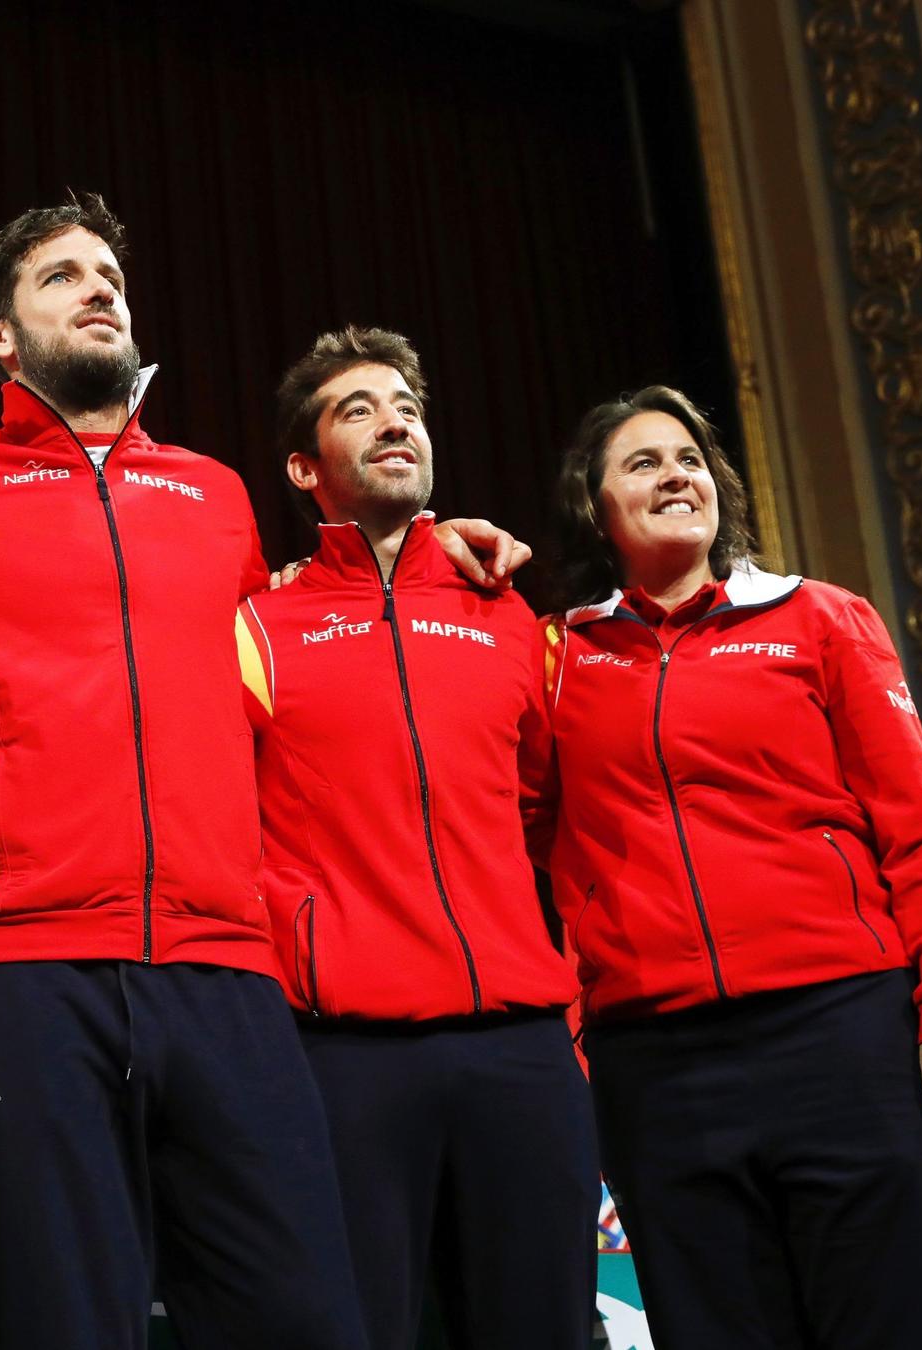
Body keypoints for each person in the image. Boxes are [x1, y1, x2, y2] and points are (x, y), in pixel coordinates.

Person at [0, 194, 523, 1350]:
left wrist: (433, 552)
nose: (97, 290)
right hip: (34, 968)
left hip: (228, 968)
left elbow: (305, 652)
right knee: (69, 1324)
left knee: (303, 1320)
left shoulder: (215, 493)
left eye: (109, 276)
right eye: (61, 277)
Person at [543, 385, 922, 1349]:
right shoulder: (555, 658)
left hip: (843, 1038)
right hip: (659, 1070)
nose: (677, 474)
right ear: (595, 507)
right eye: (643, 463)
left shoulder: (821, 619)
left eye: (690, 458)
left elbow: (920, 829)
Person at [237, 326, 596, 1349]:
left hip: (520, 1047)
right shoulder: (256, 624)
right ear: (305, 469)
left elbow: (547, 813)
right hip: (341, 1055)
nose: (393, 419)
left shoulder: (509, 617)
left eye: (405, 404)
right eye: (357, 409)